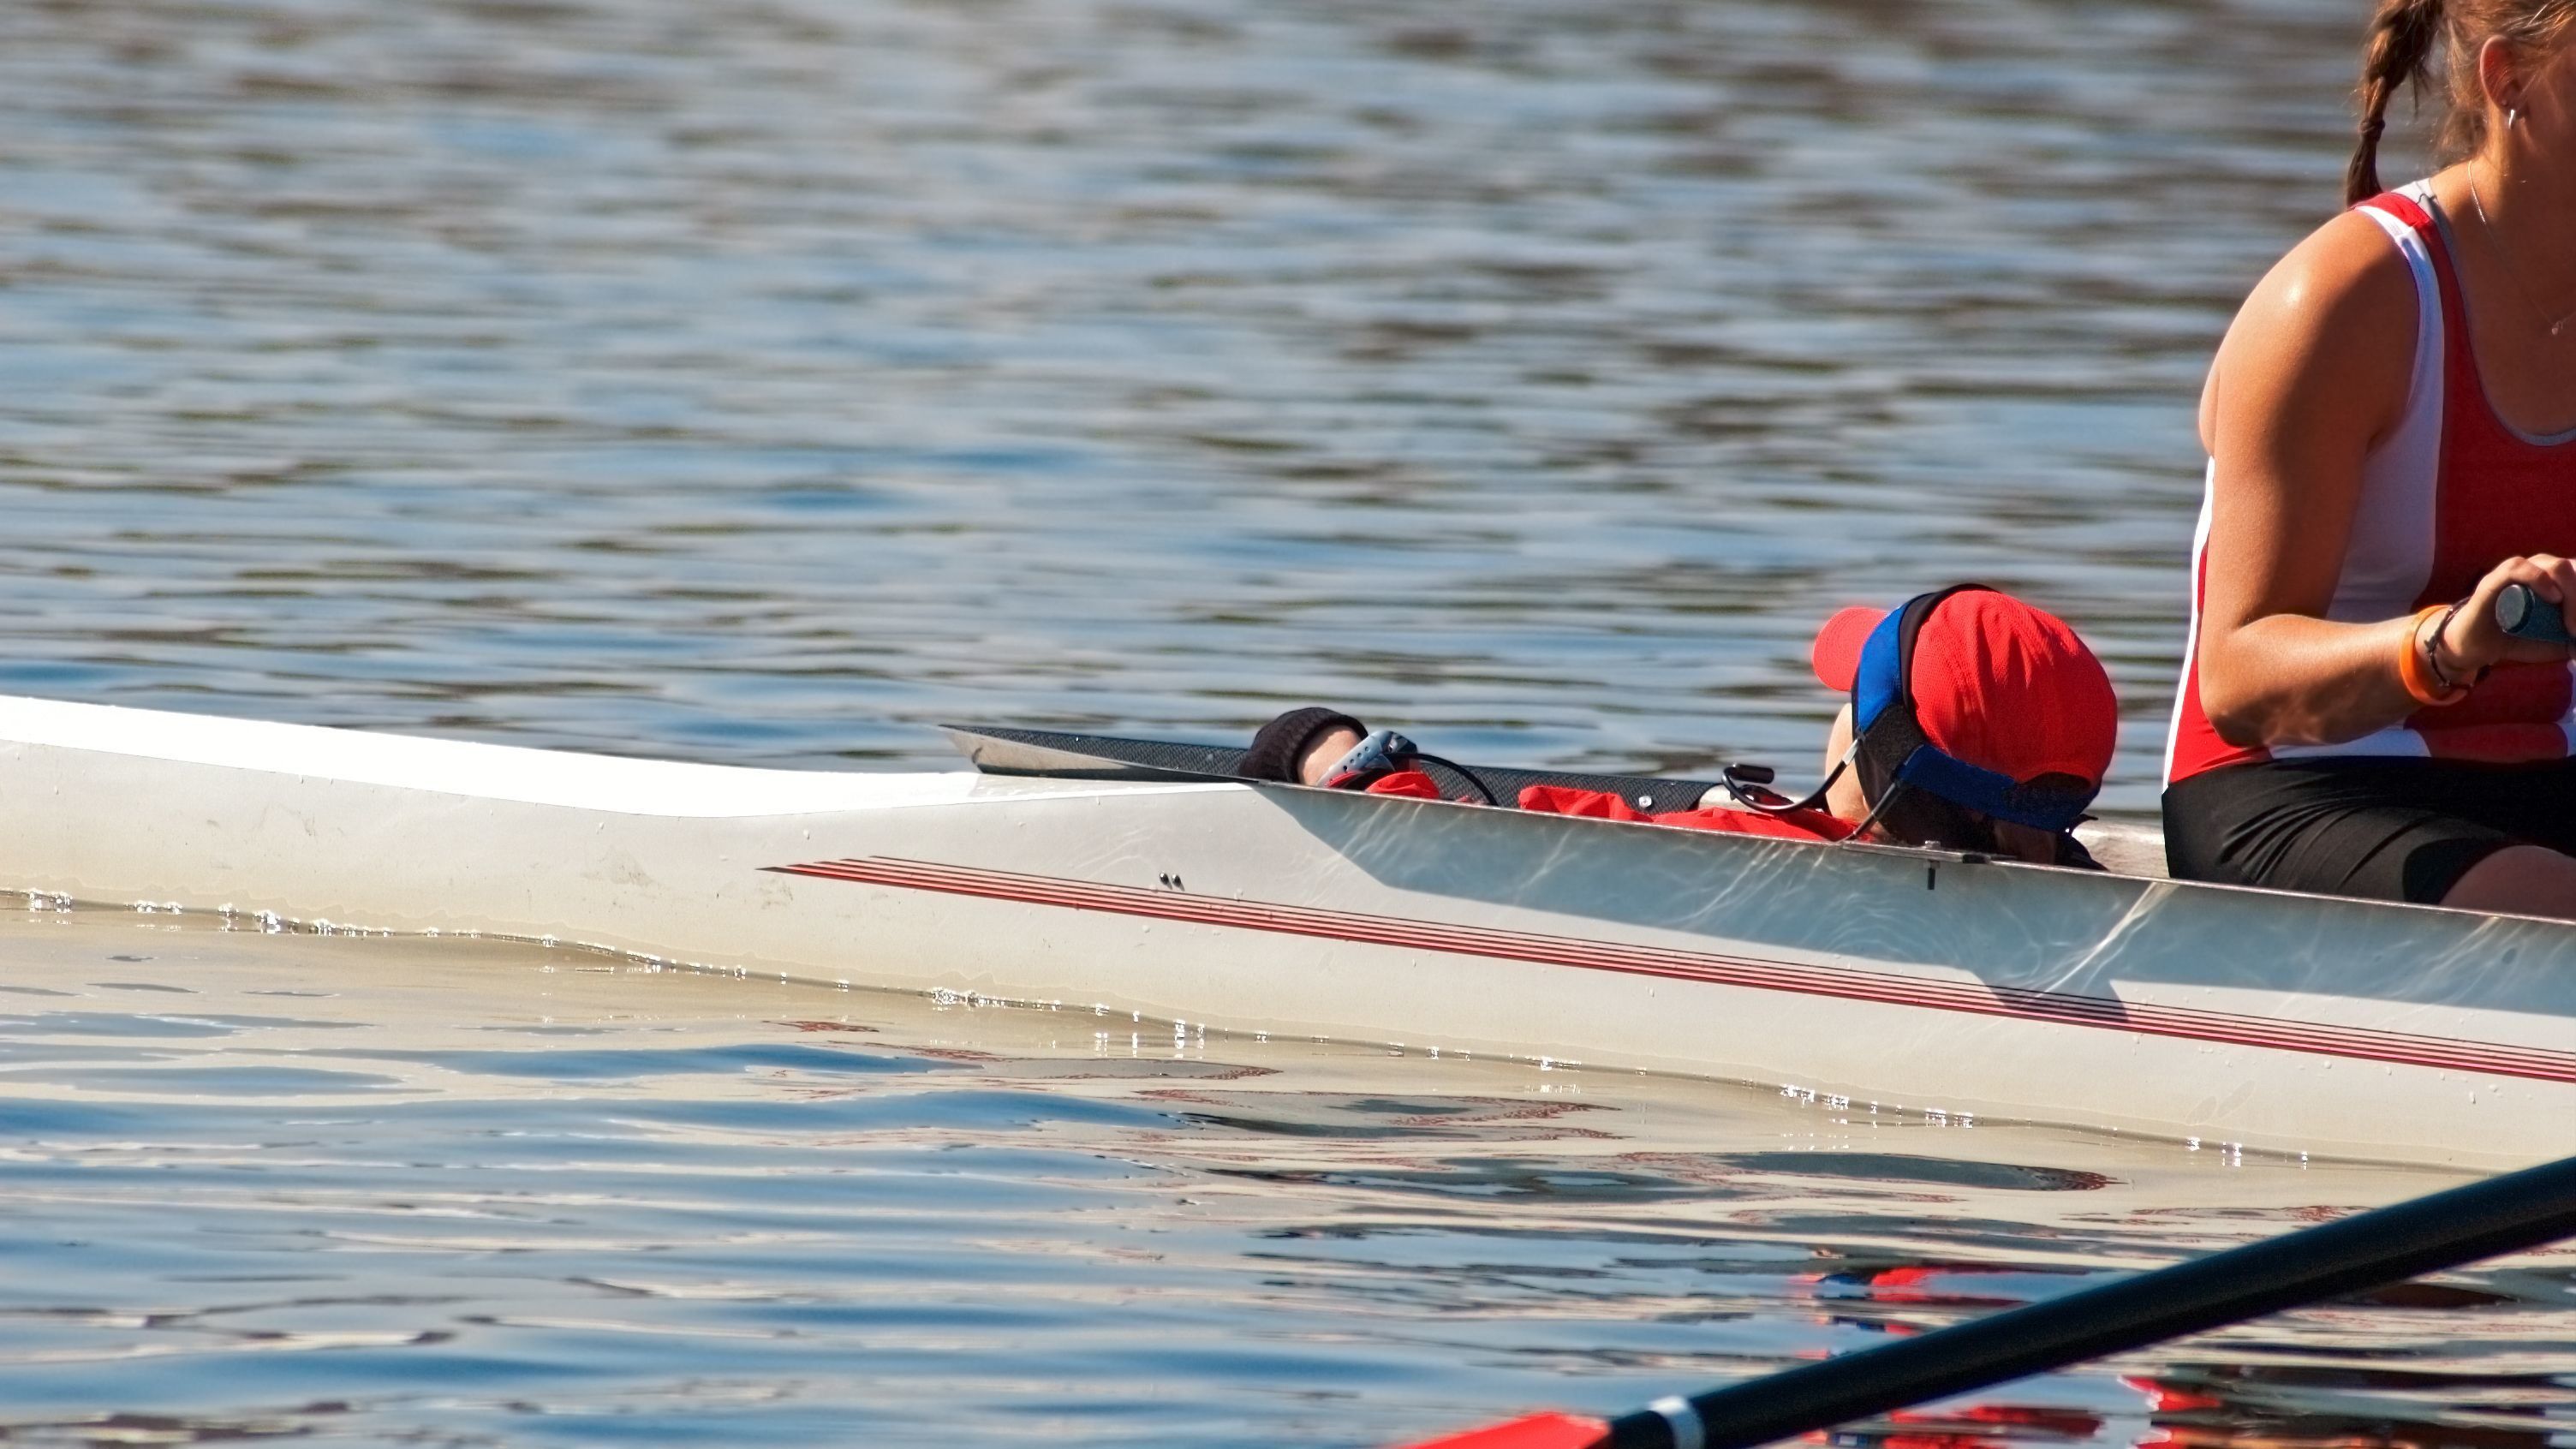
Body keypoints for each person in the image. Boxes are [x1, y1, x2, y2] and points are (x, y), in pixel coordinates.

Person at [2162, 0, 2576, 916]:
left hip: (2540, 777)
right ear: (2510, 80)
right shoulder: (2344, 302)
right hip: (2297, 787)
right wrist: (2449, 643)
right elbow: (2236, 679)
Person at [1238, 585, 2120, 868]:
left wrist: (1328, 749)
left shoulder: (1727, 846)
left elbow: (1422, 834)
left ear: (1878, 740)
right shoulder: (2061, 873)